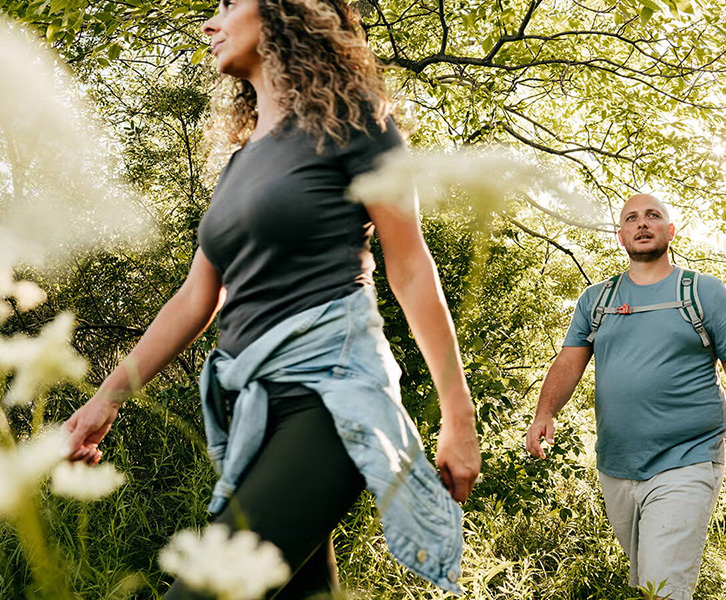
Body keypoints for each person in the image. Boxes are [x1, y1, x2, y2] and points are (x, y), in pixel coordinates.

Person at [63, 0, 481, 597]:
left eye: (229, 4)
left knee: (203, 590)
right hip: (253, 417)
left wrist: (457, 420)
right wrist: (106, 400)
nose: (210, 23)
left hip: (330, 400)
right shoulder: (237, 166)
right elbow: (195, 298)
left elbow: (410, 268)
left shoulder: (356, 126)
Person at [525, 193, 726, 600]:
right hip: (617, 465)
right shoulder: (598, 300)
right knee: (646, 580)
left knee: (662, 587)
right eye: (632, 218)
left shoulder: (702, 293)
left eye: (653, 216)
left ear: (670, 230)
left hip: (688, 459)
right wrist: (545, 412)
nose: (642, 223)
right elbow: (569, 363)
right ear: (621, 237)